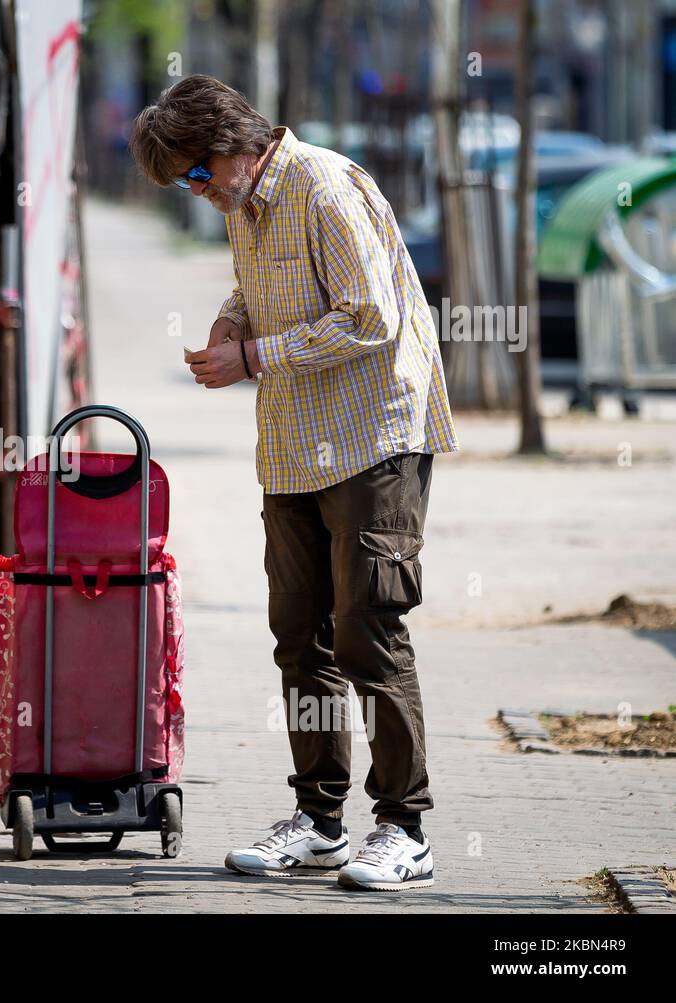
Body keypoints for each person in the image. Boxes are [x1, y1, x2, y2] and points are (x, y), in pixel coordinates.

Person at [129, 74, 459, 891]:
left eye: (198, 173)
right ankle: (319, 822)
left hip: (373, 436)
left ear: (236, 139)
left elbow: (370, 315)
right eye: (184, 186)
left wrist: (255, 357)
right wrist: (235, 319)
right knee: (299, 636)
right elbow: (264, 284)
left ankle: (404, 827)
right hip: (293, 446)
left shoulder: (323, 185)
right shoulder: (246, 205)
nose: (198, 193)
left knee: (368, 630)